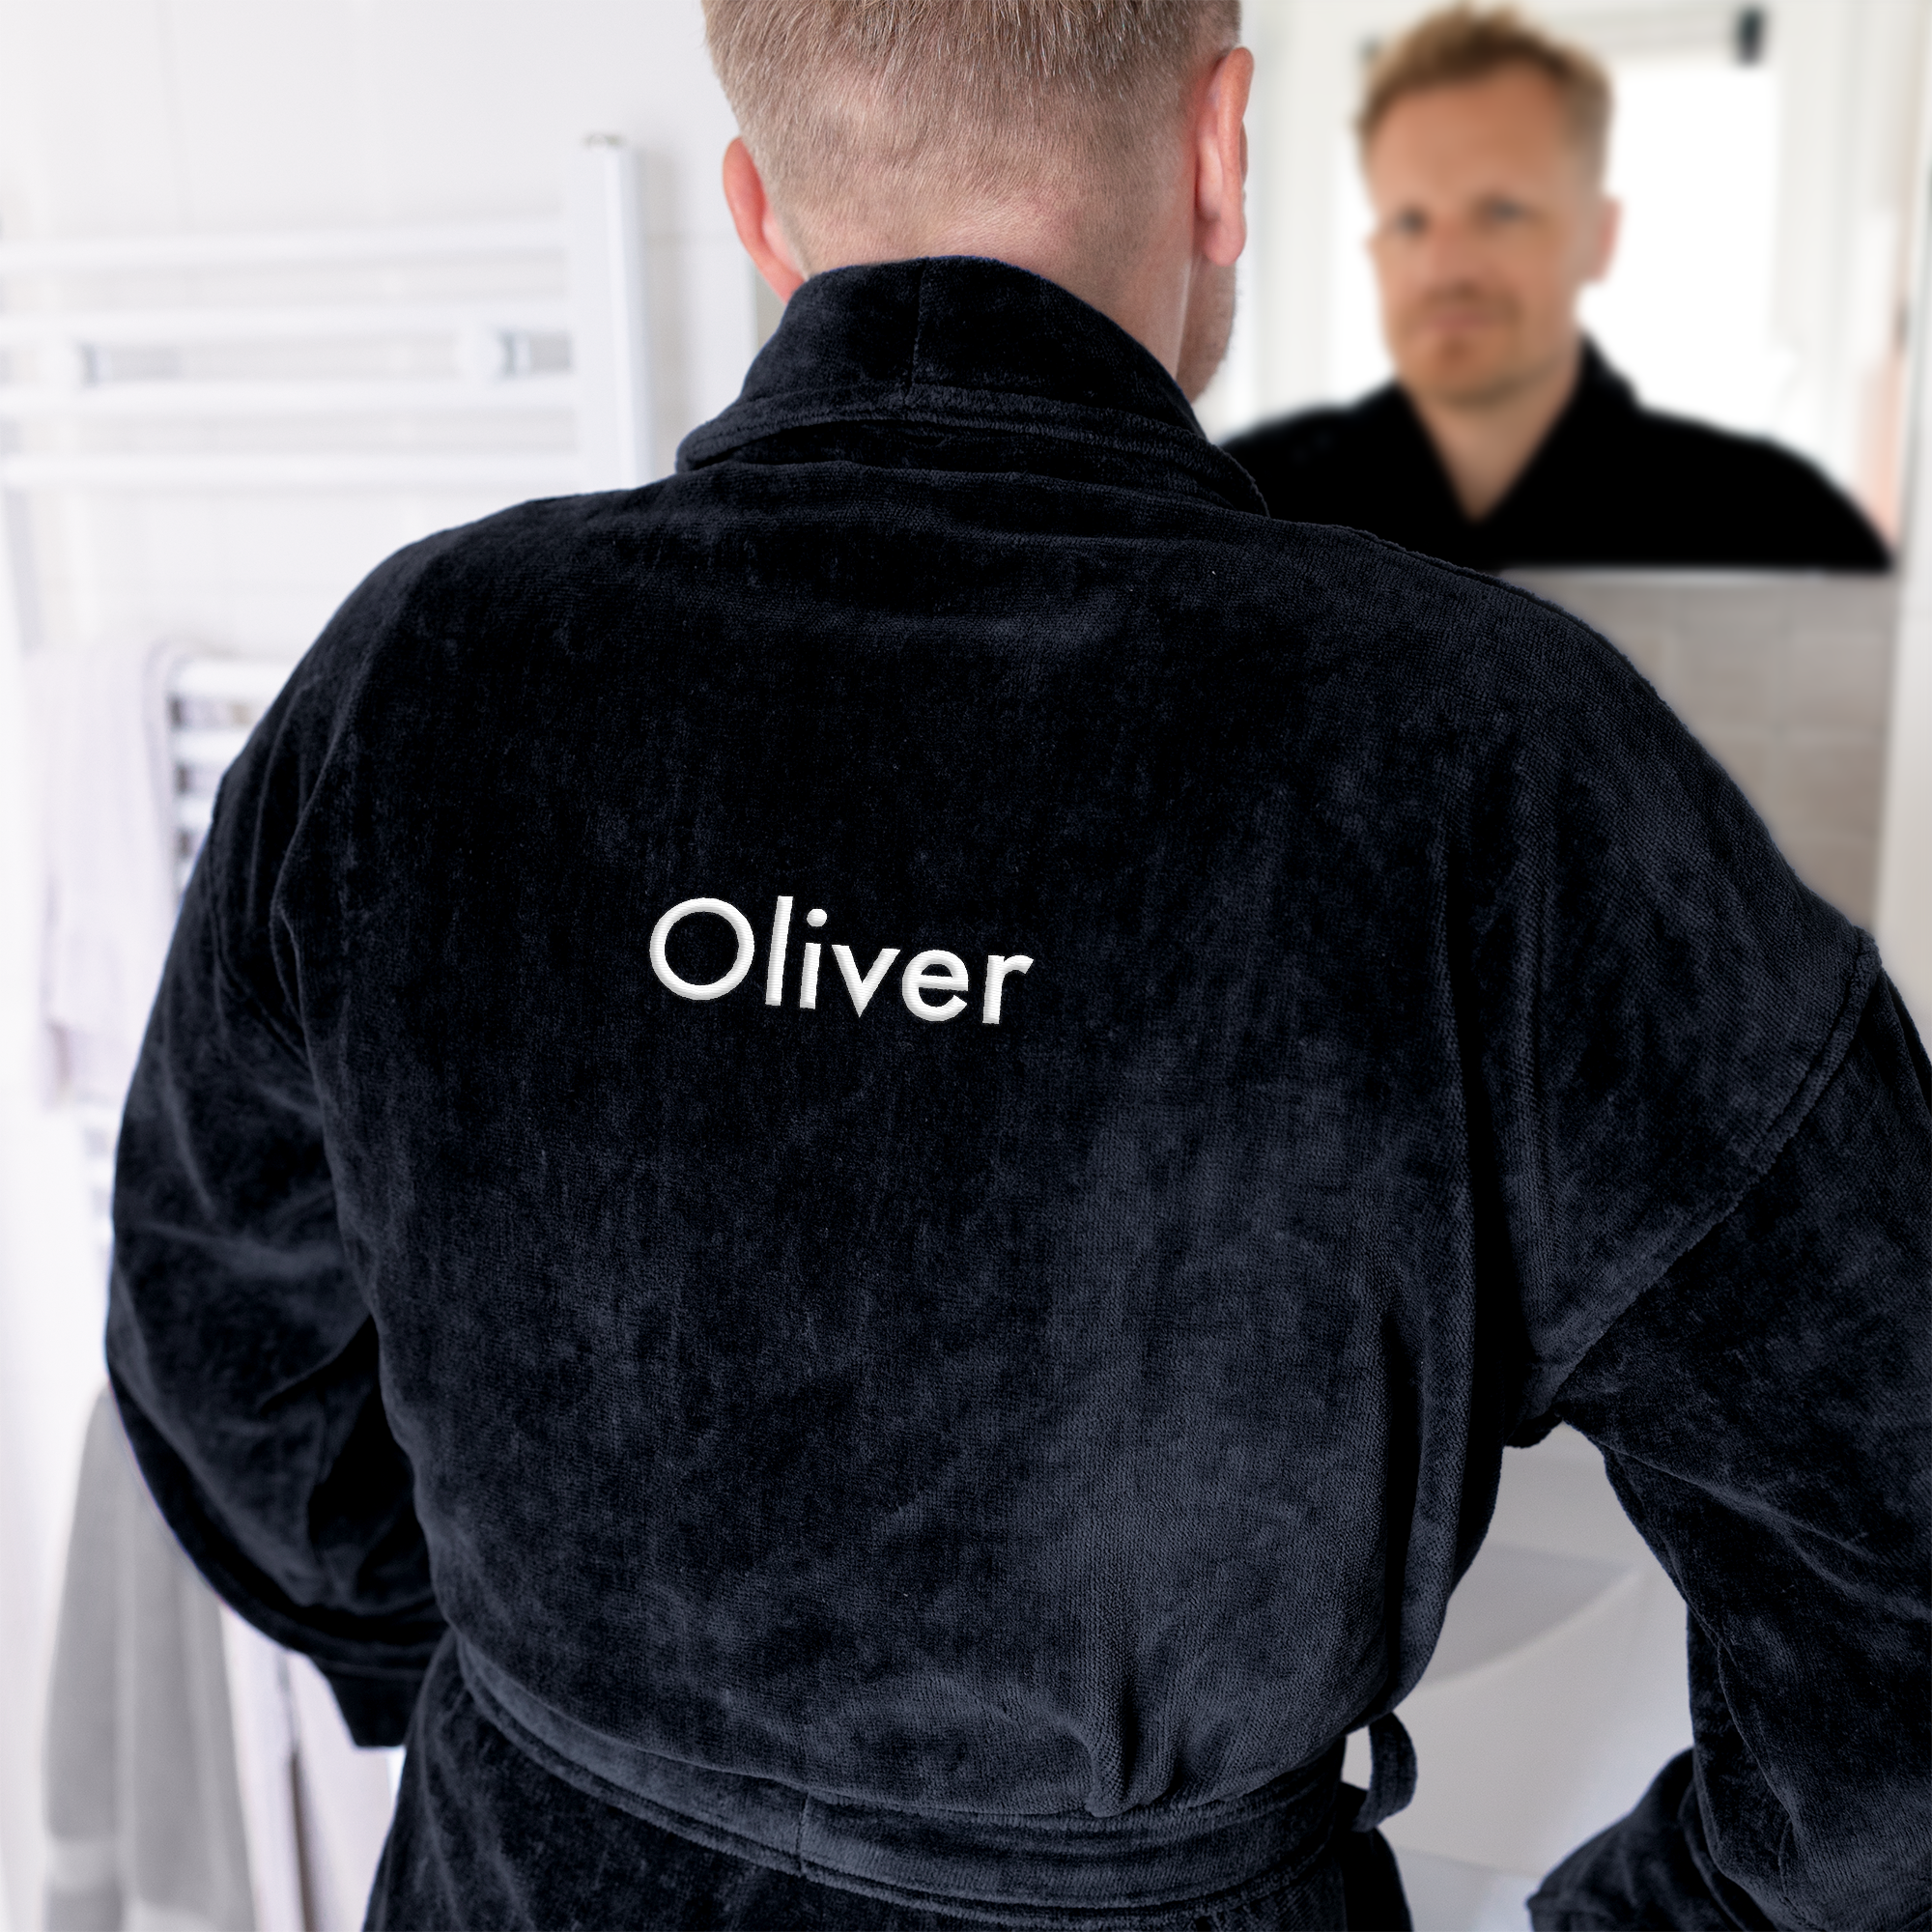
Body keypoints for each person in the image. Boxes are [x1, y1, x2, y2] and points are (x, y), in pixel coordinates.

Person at [105, 2, 1925, 1928]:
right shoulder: (1485, 753)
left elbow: (224, 1350)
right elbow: (1893, 1548)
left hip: (519, 1873)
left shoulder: (423, 669)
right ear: (1220, 152)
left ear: (758, 207)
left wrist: (547, 1699)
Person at [1224, 6, 1890, 572]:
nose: (1445, 268)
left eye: (1501, 212)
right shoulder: (1243, 511)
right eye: (1410, 221)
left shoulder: (1784, 531)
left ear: (1600, 236)